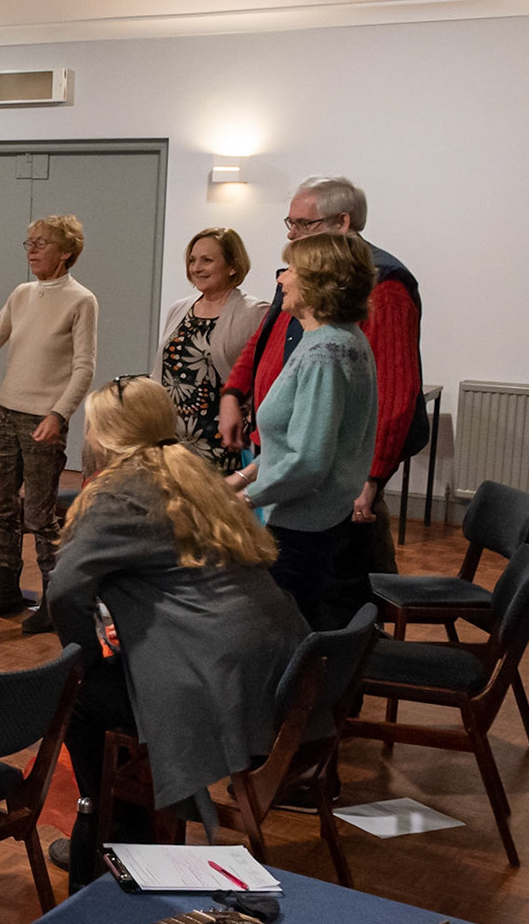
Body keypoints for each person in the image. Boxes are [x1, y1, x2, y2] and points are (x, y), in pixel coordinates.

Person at [47, 376, 307, 885]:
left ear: (107, 435)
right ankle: (134, 829)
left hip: (214, 679)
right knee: (109, 685)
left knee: (76, 694)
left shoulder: (119, 491)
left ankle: (107, 839)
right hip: (277, 667)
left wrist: (89, 659)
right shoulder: (195, 473)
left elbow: (63, 594)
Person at [218, 176, 425, 571]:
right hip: (289, 482)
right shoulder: (319, 315)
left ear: (342, 222)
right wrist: (233, 394)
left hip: (316, 500)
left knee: (337, 581)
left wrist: (373, 477)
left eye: (303, 224)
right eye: (290, 223)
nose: (292, 233)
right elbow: (264, 342)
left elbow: (395, 391)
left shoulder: (379, 290)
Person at [0, 214, 98, 635]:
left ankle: (54, 601)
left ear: (66, 252)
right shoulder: (21, 294)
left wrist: (59, 414)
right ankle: (7, 589)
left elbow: (84, 368)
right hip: (6, 413)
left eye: (41, 243)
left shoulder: (81, 300)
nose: (32, 250)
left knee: (39, 513)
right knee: (2, 507)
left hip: (43, 419)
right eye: (29, 243)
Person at [230, 232, 379, 631]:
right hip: (315, 519)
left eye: (291, 269)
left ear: (318, 281)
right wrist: (242, 477)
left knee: (284, 635)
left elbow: (309, 460)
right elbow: (294, 440)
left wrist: (244, 500)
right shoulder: (336, 338)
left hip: (303, 528)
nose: (282, 279)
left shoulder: (325, 353)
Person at [153, 228, 269, 474]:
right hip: (172, 441)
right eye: (192, 260)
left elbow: (264, 377)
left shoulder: (255, 312)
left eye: (207, 260)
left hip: (222, 441)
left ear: (232, 266)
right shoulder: (179, 309)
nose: (196, 268)